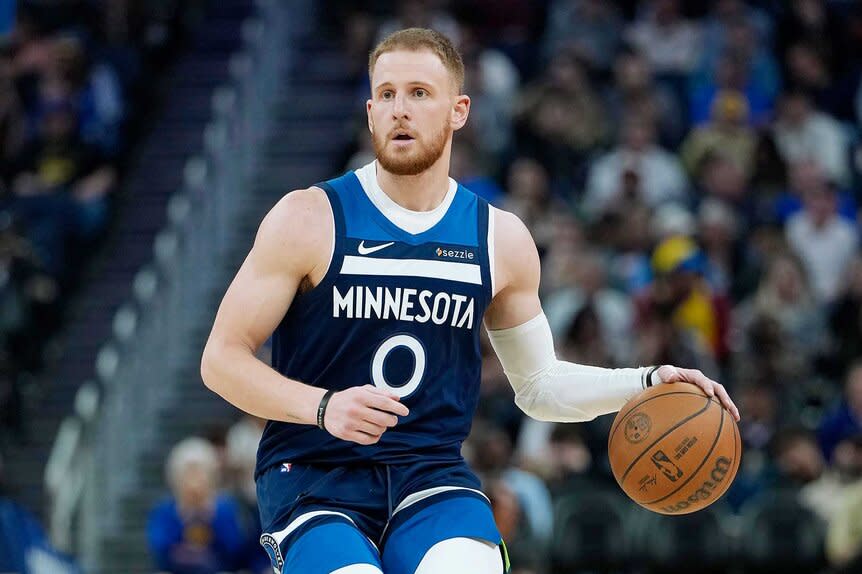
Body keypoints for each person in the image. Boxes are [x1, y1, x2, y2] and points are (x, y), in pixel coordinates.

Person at [200, 28, 739, 574]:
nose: (399, 110)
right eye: (385, 95)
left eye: (418, 93)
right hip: (314, 471)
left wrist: (647, 382)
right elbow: (221, 359)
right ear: (368, 112)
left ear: (459, 110)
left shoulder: (498, 238)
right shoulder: (308, 217)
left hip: (428, 474)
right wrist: (322, 407)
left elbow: (538, 386)